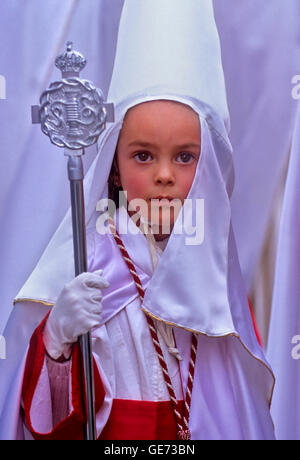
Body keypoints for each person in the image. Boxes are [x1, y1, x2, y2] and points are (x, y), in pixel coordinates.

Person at [0, 0, 275, 440]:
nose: (164, 175)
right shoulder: (90, 267)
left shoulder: (217, 279)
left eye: (185, 157)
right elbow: (51, 419)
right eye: (143, 155)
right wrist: (57, 341)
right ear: (113, 165)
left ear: (208, 171)